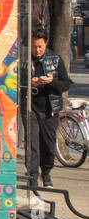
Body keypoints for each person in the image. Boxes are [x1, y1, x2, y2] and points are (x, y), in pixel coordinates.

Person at [29, 28, 72, 187]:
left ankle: (46, 173)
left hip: (50, 109)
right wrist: (29, 83)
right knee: (32, 144)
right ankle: (32, 176)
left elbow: (66, 83)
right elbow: (16, 82)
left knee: (48, 143)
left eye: (40, 46)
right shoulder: (26, 60)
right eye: (34, 46)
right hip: (31, 108)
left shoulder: (55, 59)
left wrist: (51, 82)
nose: (37, 50)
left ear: (46, 44)